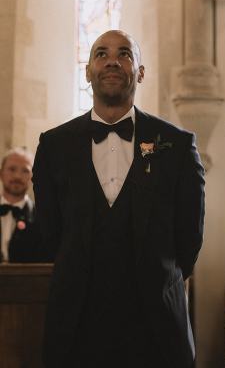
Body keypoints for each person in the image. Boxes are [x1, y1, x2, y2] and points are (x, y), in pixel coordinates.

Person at [32, 29, 205, 368]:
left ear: (140, 72)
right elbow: (50, 233)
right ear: (87, 72)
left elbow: (189, 239)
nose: (112, 60)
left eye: (124, 53)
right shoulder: (54, 146)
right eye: (101, 53)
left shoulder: (177, 145)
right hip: (77, 327)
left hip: (155, 327)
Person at [0, 147, 44, 263]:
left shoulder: (42, 218)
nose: (17, 176)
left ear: (33, 177)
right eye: (12, 169)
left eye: (25, 171)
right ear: (1, 173)